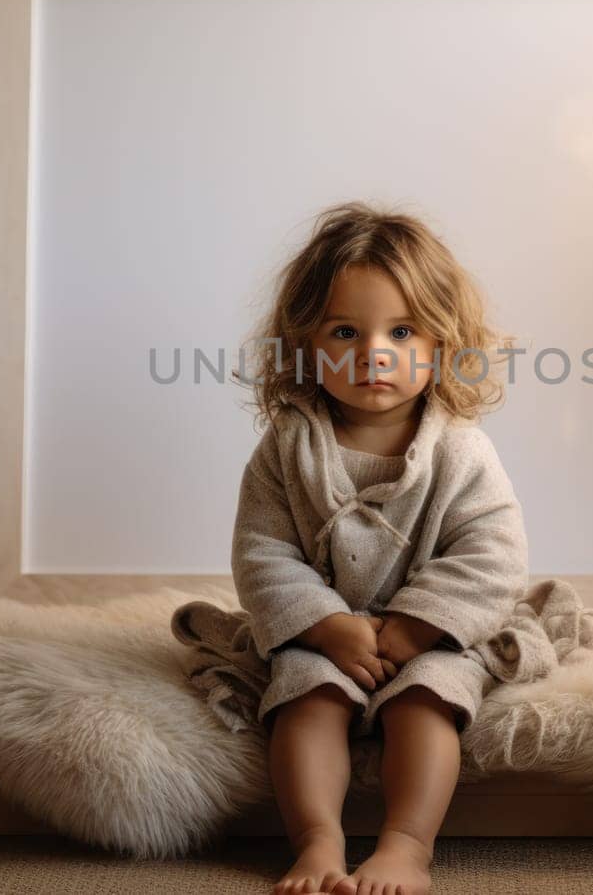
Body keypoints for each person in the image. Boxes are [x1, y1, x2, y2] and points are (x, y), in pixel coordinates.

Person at [231, 200, 528, 895]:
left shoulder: (460, 449)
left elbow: (494, 555)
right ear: (305, 346)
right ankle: (317, 839)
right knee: (303, 696)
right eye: (345, 331)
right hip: (323, 632)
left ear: (442, 342)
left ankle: (405, 846)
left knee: (426, 700)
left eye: (401, 330)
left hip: (433, 635)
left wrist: (417, 624)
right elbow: (262, 552)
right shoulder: (287, 449)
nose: (374, 353)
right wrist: (326, 625)